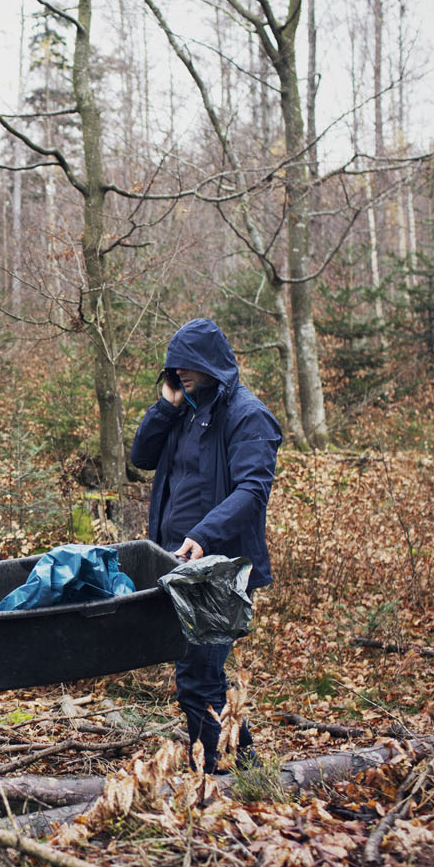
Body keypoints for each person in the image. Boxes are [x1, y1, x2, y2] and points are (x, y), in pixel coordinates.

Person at [130, 318, 281, 773]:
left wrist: (203, 534)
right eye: (173, 367)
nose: (179, 373)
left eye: (187, 365)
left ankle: (213, 773)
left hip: (220, 570)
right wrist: (165, 407)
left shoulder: (247, 415)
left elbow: (252, 491)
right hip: (178, 565)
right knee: (202, 673)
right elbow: (141, 457)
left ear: (212, 364)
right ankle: (244, 766)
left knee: (197, 675)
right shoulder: (185, 409)